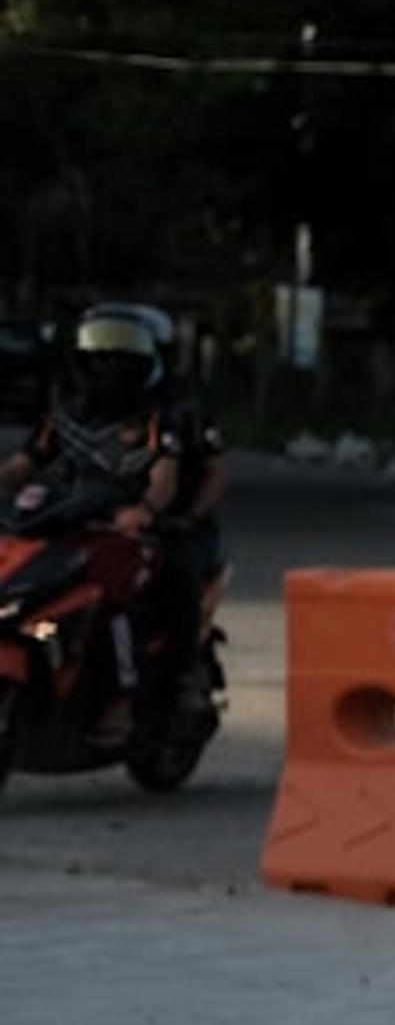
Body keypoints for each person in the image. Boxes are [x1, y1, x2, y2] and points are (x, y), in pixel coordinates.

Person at [0, 308, 225, 738]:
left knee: (112, 600)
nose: (108, 366)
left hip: (135, 531)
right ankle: (46, 649)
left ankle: (129, 696)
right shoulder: (67, 414)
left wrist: (149, 513)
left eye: (120, 356)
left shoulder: (164, 415)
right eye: (99, 355)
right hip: (69, 523)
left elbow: (167, 475)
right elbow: (25, 463)